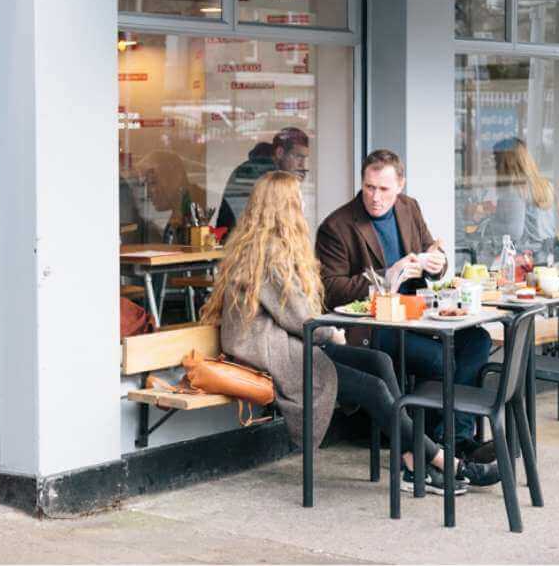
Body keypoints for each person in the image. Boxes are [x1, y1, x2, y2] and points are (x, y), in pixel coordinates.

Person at [201, 172, 496, 493]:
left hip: (284, 343)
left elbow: (299, 317)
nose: (302, 203)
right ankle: (447, 463)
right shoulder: (269, 254)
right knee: (372, 388)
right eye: (297, 199)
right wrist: (332, 335)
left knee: (380, 362)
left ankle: (413, 456)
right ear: (283, 207)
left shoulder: (262, 247)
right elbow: (300, 317)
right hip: (269, 353)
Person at [315, 150, 494, 459]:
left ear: (400, 185)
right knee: (441, 359)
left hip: (418, 315)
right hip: (375, 325)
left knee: (477, 340)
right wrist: (387, 276)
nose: (374, 197)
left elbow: (433, 256)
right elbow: (330, 291)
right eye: (369, 187)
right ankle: (433, 448)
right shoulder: (338, 226)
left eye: (383, 189)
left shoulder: (409, 208)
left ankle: (452, 438)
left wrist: (436, 264)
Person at [214, 128, 309, 233]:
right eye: (298, 157)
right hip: (246, 242)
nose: (302, 165)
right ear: (280, 152)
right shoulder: (262, 176)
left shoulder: (260, 170)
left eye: (304, 158)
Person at [490, 137, 558, 258]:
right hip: (547, 257)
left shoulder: (514, 191)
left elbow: (514, 232)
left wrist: (491, 223)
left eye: (496, 160)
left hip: (526, 260)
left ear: (506, 163)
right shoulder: (546, 185)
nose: (494, 166)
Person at [134, 150, 207, 243]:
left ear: (177, 175)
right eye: (145, 185)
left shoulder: (199, 210)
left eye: (153, 182)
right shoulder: (181, 211)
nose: (148, 194)